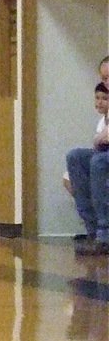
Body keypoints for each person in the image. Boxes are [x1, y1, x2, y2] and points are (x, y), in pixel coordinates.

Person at [65, 81, 109, 255]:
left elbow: (100, 141)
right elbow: (99, 142)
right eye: (97, 98)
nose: (99, 102)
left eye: (105, 98)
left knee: (97, 163)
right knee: (74, 157)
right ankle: (93, 228)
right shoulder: (102, 121)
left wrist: (100, 140)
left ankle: (104, 233)